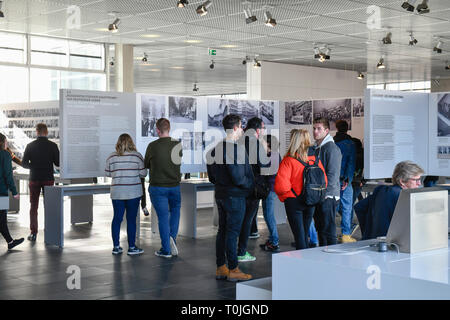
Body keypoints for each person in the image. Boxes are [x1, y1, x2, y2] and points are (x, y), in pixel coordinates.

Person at [207, 114, 254, 281]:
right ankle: (233, 269)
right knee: (232, 233)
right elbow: (239, 177)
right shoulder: (235, 149)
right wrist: (250, 184)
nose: (242, 130)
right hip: (235, 197)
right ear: (235, 128)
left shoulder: (214, 149)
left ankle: (221, 267)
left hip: (221, 195)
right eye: (241, 126)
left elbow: (211, 177)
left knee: (223, 231)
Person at [274, 129, 327, 250]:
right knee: (304, 232)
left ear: (293, 141)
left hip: (294, 201)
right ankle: (306, 261)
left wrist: (287, 196)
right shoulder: (315, 159)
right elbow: (325, 181)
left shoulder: (288, 160)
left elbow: (281, 187)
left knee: (299, 237)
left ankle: (301, 264)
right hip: (311, 201)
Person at [355, 161, 424, 240]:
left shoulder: (381, 190)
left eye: (420, 179)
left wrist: (368, 232)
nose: (419, 183)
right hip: (393, 244)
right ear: (402, 181)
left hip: (375, 241)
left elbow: (360, 207)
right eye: (416, 180)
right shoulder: (402, 196)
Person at [144, 118, 182, 258]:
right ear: (169, 129)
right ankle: (172, 239)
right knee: (175, 212)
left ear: (157, 130)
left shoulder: (152, 146)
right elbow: (177, 163)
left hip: (158, 187)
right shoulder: (177, 144)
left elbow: (146, 164)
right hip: (175, 186)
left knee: (163, 217)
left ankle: (166, 249)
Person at [105, 134, 147, 255]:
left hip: (117, 193)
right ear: (131, 142)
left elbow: (108, 174)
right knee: (131, 220)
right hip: (133, 192)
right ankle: (132, 248)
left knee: (117, 219)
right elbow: (143, 174)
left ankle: (116, 247)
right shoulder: (137, 156)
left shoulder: (111, 156)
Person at [237, 117, 269, 263]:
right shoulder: (256, 143)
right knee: (247, 220)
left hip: (240, 186)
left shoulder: (239, 141)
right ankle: (241, 251)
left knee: (238, 219)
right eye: (262, 128)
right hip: (252, 187)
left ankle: (234, 250)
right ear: (257, 130)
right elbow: (264, 164)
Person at [22, 123, 59, 241]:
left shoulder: (30, 146)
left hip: (34, 179)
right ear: (46, 132)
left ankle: (33, 233)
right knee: (48, 206)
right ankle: (49, 231)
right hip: (48, 178)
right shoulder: (53, 145)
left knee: (33, 207)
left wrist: (33, 165)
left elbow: (24, 163)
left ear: (37, 132)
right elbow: (58, 163)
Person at [312, 118, 342, 246]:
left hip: (328, 196)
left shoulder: (331, 148)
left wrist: (323, 194)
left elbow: (332, 175)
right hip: (320, 195)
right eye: (314, 128)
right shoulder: (318, 147)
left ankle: (331, 258)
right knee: (321, 229)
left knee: (328, 230)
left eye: (319, 129)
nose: (315, 131)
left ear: (327, 130)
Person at [0, 133, 24, 251]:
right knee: (2, 218)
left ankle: (10, 241)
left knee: (2, 220)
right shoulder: (5, 155)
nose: (7, 143)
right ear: (2, 142)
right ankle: (10, 242)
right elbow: (8, 176)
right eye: (5, 141)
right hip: (1, 193)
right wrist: (14, 192)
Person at [333, 120, 356, 243]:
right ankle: (345, 235)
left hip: (333, 180)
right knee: (347, 207)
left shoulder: (332, 142)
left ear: (337, 128)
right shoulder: (350, 144)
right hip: (344, 181)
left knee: (333, 207)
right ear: (347, 129)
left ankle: (330, 233)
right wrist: (348, 179)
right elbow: (351, 162)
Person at [259, 134, 281, 252]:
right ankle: (273, 239)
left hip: (269, 190)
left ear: (268, 144)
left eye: (263, 142)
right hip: (271, 189)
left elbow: (264, 170)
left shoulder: (271, 156)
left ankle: (274, 241)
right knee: (268, 215)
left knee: (268, 215)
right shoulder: (275, 155)